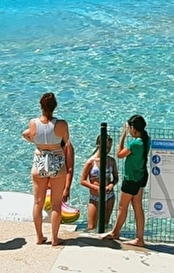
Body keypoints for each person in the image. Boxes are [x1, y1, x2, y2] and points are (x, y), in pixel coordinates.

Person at [23, 93, 72, 246]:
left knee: (38, 202)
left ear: (41, 106)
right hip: (57, 162)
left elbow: (26, 134)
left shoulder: (33, 123)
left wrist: (35, 141)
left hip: (39, 162)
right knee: (56, 204)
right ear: (55, 106)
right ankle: (55, 239)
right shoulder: (62, 124)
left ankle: (39, 236)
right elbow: (66, 141)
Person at [107, 115, 150, 247]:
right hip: (141, 176)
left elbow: (119, 154)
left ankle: (115, 233)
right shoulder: (146, 140)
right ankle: (139, 238)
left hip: (131, 179)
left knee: (122, 207)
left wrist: (122, 136)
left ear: (133, 128)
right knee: (137, 207)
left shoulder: (134, 143)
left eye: (130, 129)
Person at [80, 143, 118, 233]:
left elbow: (116, 178)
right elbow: (82, 181)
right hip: (95, 197)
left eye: (109, 147)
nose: (108, 150)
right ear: (98, 145)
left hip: (109, 196)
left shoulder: (111, 161)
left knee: (105, 225)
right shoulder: (91, 161)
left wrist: (111, 184)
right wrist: (96, 188)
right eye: (106, 147)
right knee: (91, 227)